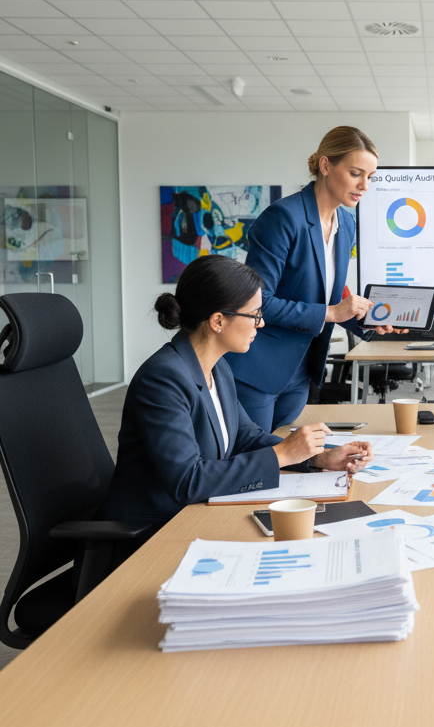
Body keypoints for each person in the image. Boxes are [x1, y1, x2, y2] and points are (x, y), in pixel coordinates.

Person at [98, 255, 372, 527]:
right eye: (255, 315)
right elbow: (187, 480)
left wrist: (317, 457)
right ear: (217, 321)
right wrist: (282, 454)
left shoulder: (219, 367)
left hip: (199, 514)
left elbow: (244, 437)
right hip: (155, 530)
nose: (261, 324)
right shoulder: (163, 379)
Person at [225, 125, 402, 432]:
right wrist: (332, 312)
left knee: (285, 462)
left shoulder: (346, 224)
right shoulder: (283, 217)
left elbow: (327, 298)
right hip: (258, 369)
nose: (365, 186)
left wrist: (369, 319)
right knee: (255, 463)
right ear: (325, 165)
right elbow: (256, 302)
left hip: (301, 371)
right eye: (356, 173)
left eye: (370, 177)